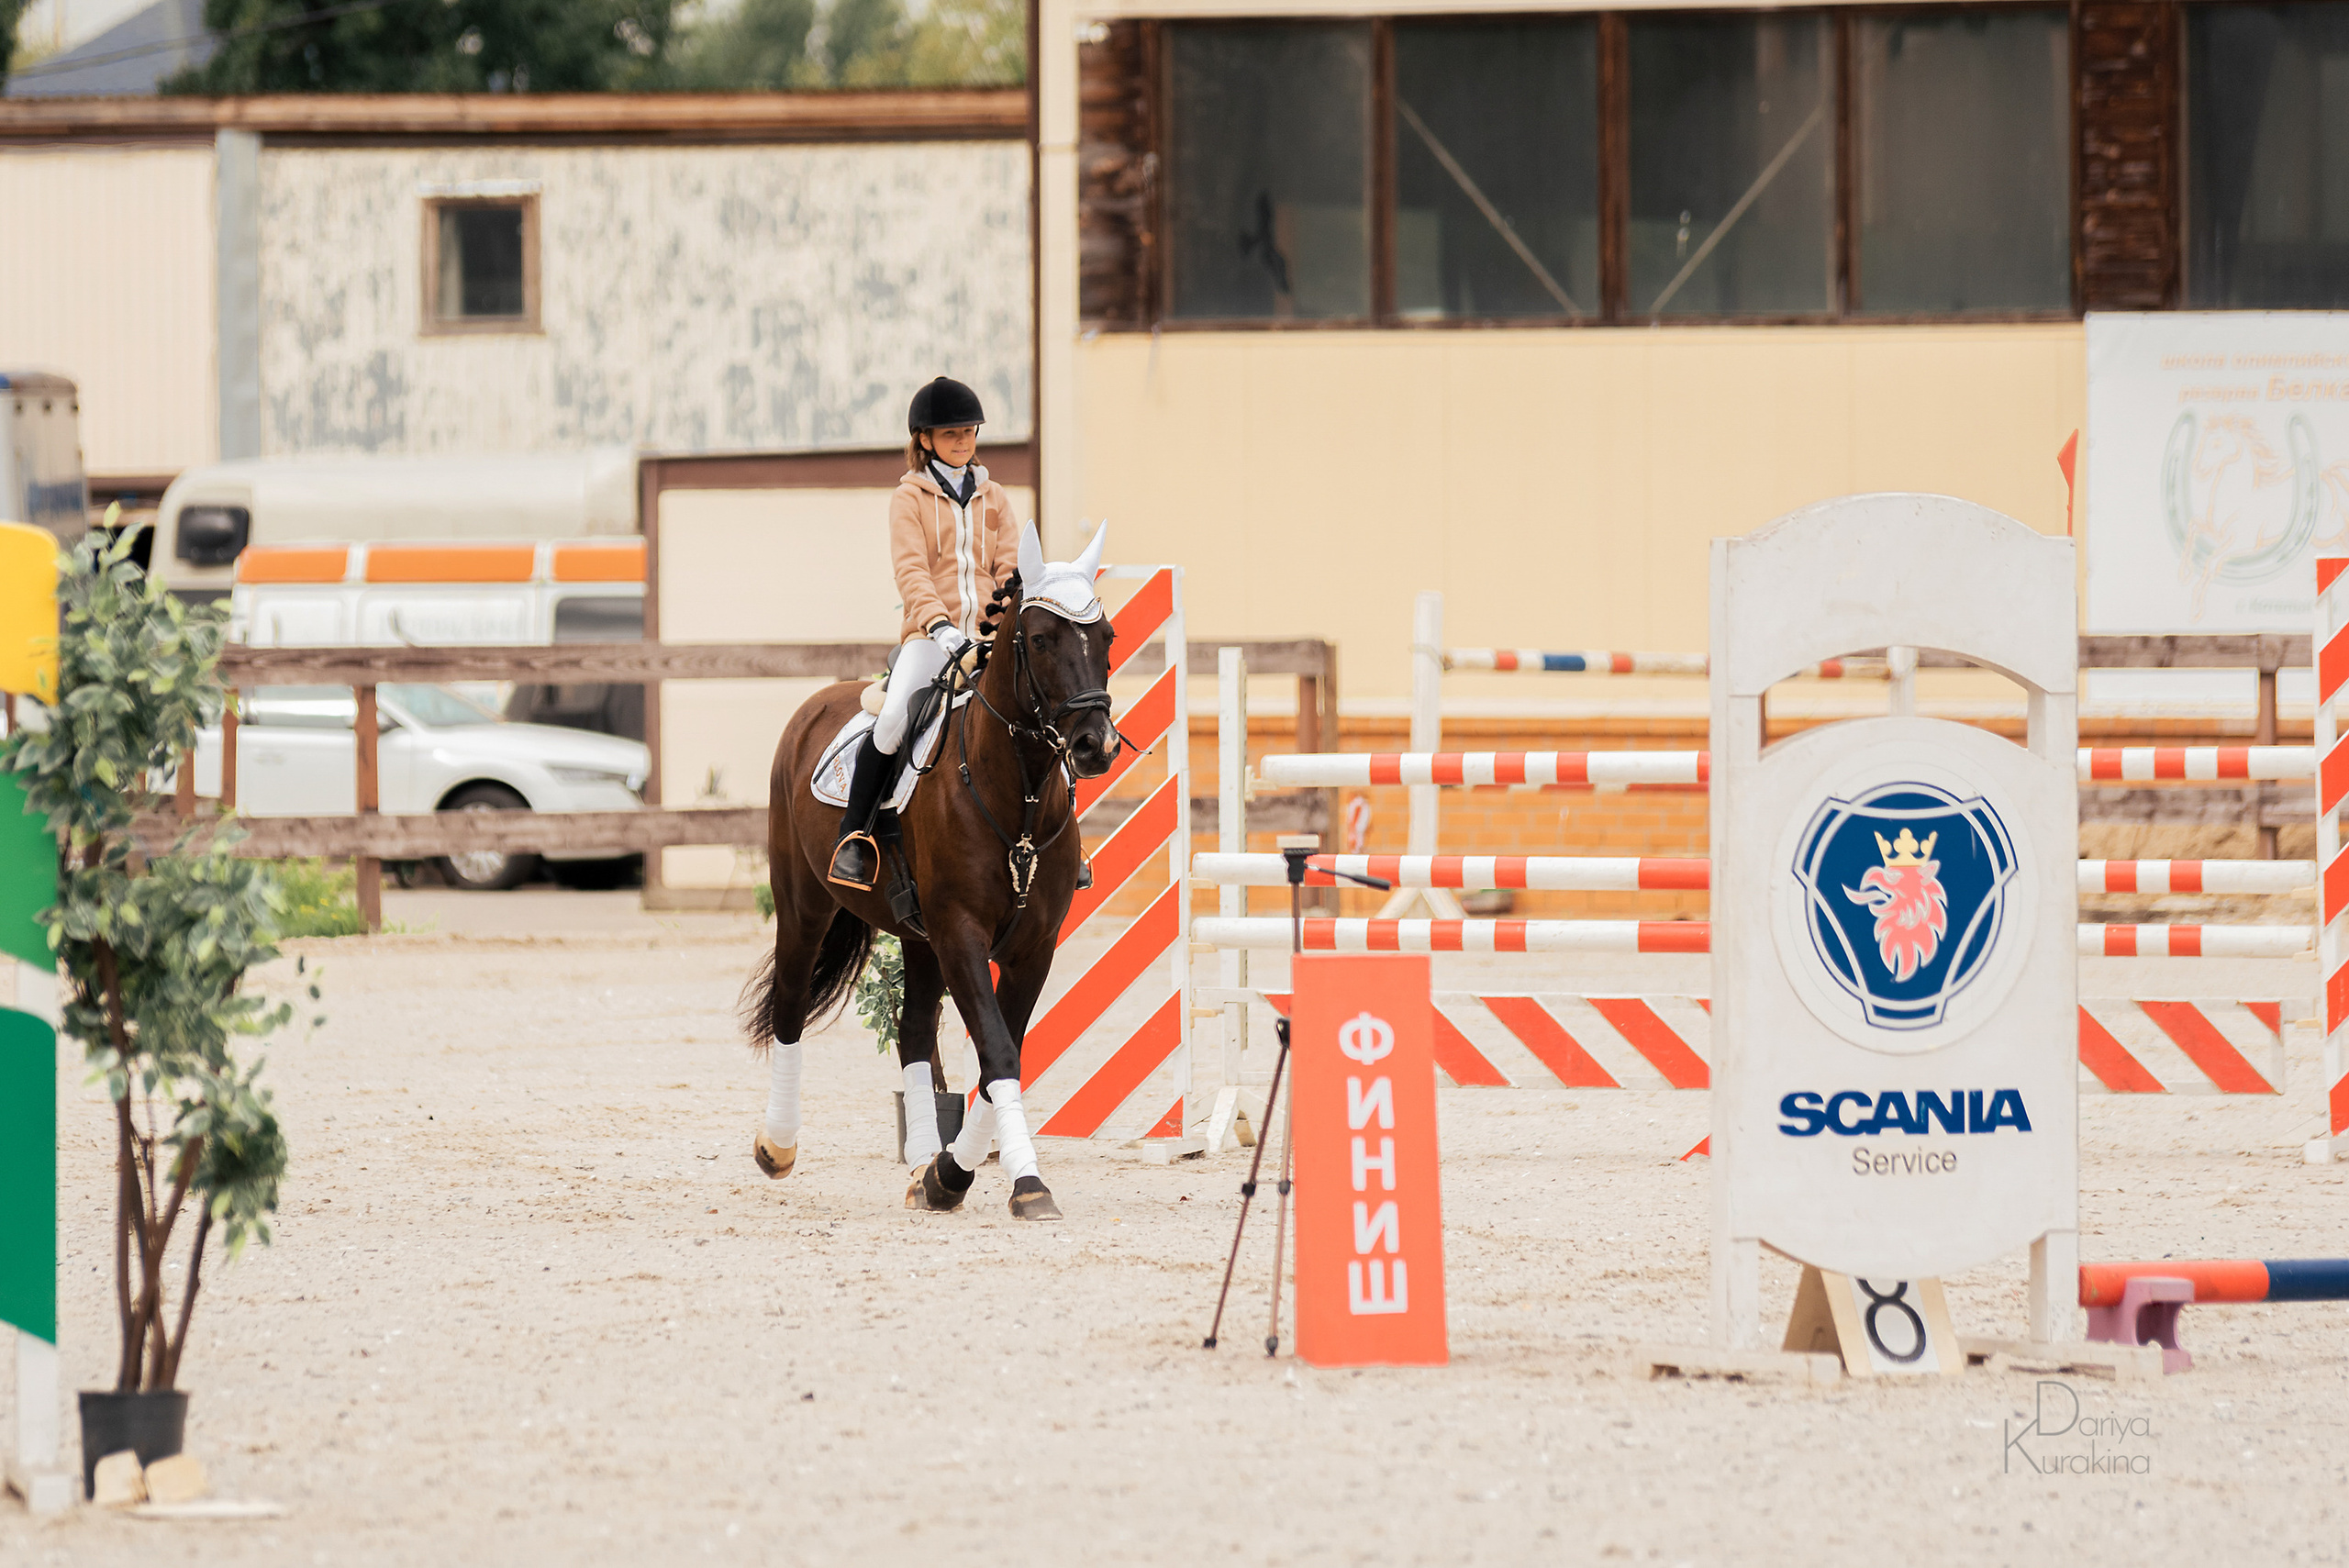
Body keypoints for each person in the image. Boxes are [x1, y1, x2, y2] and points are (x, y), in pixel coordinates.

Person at [829, 375, 1022, 889]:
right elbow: (911, 571)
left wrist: (998, 627)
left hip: (987, 642)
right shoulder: (908, 499)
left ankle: (1067, 841)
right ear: (925, 439)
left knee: (1042, 709)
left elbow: (1009, 572)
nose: (962, 441)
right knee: (893, 719)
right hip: (930, 640)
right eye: (951, 433)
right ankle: (855, 836)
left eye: (969, 431)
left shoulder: (996, 498)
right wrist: (940, 629)